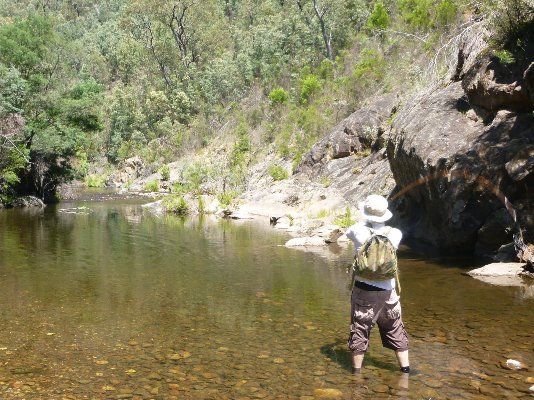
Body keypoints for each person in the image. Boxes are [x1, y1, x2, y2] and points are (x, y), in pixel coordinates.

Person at [345, 194, 410, 374]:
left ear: (366, 213)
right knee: (395, 327)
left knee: (360, 329)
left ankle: (356, 375)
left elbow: (347, 233)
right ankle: (405, 371)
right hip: (388, 291)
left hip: (363, 291)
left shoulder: (356, 230)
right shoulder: (395, 234)